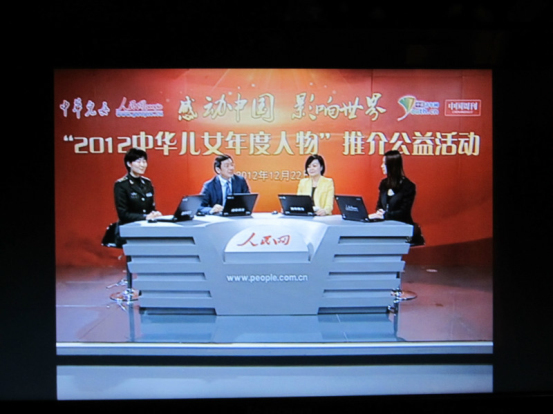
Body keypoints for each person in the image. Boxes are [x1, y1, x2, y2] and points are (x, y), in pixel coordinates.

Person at [114, 147, 162, 224]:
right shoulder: (121, 185)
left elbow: (151, 208)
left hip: (146, 225)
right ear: (129, 164)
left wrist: (155, 214)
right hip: (128, 226)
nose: (142, 165)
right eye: (138, 162)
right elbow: (123, 214)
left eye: (144, 162)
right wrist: (145, 217)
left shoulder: (147, 183)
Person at [369, 150, 415, 223]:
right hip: (385, 224)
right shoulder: (383, 183)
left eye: (384, 163)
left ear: (392, 166)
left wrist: (385, 215)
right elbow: (379, 205)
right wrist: (379, 211)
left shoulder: (408, 186)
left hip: (402, 224)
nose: (381, 166)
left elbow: (404, 212)